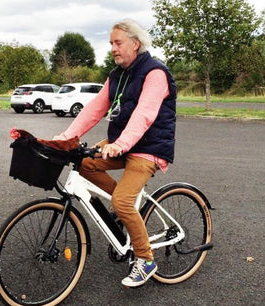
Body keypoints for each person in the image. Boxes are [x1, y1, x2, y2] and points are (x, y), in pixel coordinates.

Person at [53, 18, 177, 287]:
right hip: (121, 142)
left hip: (148, 148)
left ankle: (145, 259)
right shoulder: (116, 76)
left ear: (135, 43)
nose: (113, 48)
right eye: (111, 43)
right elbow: (95, 109)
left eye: (118, 42)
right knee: (83, 163)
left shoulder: (155, 73)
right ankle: (123, 207)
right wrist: (66, 138)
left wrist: (121, 144)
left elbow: (144, 114)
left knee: (122, 201)